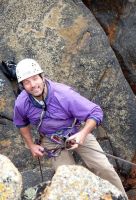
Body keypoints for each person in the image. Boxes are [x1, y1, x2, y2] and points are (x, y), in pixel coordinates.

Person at [13, 58, 128, 198]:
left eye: (35, 78)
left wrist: (83, 134)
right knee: (67, 180)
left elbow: (95, 112)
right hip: (51, 140)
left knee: (104, 168)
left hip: (76, 132)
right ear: (22, 85)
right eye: (27, 82)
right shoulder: (21, 103)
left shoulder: (63, 94)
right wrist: (31, 145)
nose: (33, 85)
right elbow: (22, 123)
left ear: (42, 77)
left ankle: (121, 197)